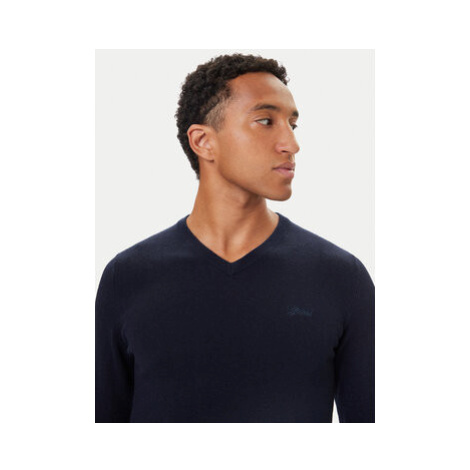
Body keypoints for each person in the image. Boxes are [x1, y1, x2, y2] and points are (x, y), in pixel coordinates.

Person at [95, 53, 375, 423]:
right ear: (203, 142)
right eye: (265, 121)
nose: (291, 143)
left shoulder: (340, 277)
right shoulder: (128, 277)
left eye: (292, 124)